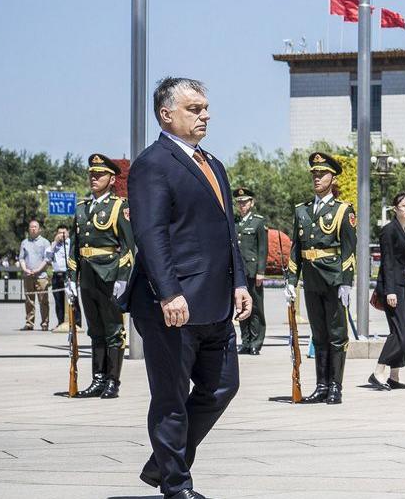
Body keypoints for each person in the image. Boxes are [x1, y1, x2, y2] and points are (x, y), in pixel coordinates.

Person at [127, 77, 252, 499]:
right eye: (195, 108)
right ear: (167, 114)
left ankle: (163, 462)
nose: (205, 115)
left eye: (205, 108)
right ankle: (176, 486)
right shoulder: (153, 164)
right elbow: (151, 233)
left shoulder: (212, 163)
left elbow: (227, 232)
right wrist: (168, 292)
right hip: (172, 304)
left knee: (223, 386)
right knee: (171, 397)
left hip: (215, 303)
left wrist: (239, 282)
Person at [284, 151, 355, 405]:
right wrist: (291, 281)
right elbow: (296, 249)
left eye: (322, 174)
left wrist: (347, 282)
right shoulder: (301, 211)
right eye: (314, 174)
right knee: (318, 334)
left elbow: (348, 250)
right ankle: (321, 386)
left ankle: (336, 387)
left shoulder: (343, 210)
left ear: (332, 178)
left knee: (337, 335)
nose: (317, 178)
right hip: (312, 281)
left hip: (334, 280)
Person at [69, 155, 136, 398]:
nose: (94, 178)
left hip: (109, 274)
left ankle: (113, 382)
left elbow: (129, 246)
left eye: (99, 175)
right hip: (87, 275)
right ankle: (97, 378)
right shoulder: (82, 208)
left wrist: (122, 278)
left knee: (113, 330)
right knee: (95, 330)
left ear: (111, 179)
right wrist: (71, 279)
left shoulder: (120, 206)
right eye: (92, 174)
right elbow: (74, 248)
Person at [370, 192, 405, 390]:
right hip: (392, 288)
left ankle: (394, 376)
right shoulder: (389, 230)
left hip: (403, 286)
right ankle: (378, 372)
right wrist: (389, 291)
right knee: (398, 332)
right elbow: (387, 262)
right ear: (395, 208)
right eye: (404, 205)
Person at [233, 187, 269, 355]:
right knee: (241, 307)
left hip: (253, 271)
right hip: (239, 272)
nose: (242, 205)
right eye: (239, 203)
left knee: (256, 308)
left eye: (245, 202)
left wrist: (261, 271)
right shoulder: (235, 222)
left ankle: (256, 342)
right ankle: (246, 341)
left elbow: (263, 248)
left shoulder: (258, 222)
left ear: (252, 203)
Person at [18, 219, 52, 331]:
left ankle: (44, 324)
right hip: (28, 275)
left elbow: (47, 259)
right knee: (29, 301)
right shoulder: (24, 242)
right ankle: (29, 323)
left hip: (41, 276)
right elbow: (21, 258)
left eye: (35, 227)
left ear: (39, 229)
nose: (33, 229)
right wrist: (25, 269)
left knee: (43, 301)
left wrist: (37, 270)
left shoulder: (45, 242)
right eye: (31, 227)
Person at [48, 225, 71, 330]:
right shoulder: (54, 245)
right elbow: (47, 257)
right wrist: (54, 243)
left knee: (72, 300)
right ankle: (60, 322)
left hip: (68, 274)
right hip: (57, 275)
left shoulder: (71, 243)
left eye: (64, 232)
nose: (62, 235)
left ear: (68, 233)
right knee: (58, 301)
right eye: (59, 233)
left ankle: (76, 323)